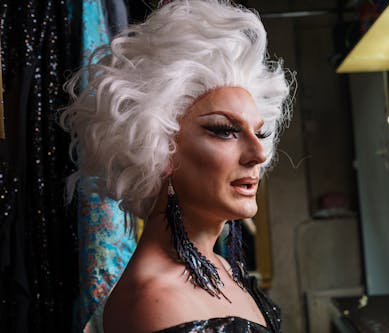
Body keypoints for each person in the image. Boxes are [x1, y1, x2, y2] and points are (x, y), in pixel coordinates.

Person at [60, 0, 294, 332]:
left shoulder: (222, 267)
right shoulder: (157, 301)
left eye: (259, 132)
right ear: (160, 147)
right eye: (224, 131)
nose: (259, 153)